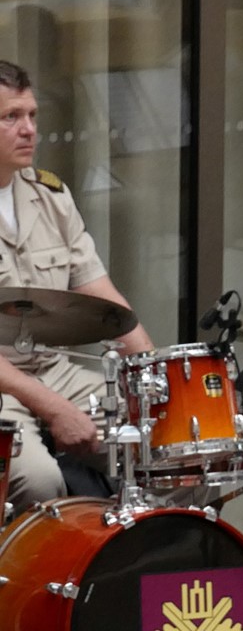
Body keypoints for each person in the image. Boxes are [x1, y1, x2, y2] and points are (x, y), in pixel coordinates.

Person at [0, 60, 154, 507]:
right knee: (37, 480)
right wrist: (54, 408)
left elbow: (99, 293)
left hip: (53, 369)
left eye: (32, 115)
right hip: (5, 385)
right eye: (11, 117)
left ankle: (138, 551)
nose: (29, 129)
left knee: (164, 444)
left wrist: (153, 374)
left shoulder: (50, 196)